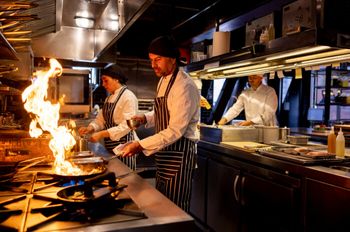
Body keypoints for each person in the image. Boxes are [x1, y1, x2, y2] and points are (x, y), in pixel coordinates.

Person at [119, 35, 200, 212]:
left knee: (176, 210)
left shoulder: (184, 87)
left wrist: (140, 145)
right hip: (164, 154)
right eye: (151, 60)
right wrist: (145, 118)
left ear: (172, 59)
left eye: (158, 60)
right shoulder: (163, 80)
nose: (153, 65)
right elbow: (163, 111)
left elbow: (175, 131)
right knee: (163, 206)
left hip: (179, 154)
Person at [78, 65, 138, 170]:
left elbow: (127, 126)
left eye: (106, 81)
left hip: (124, 148)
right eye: (102, 81)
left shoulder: (128, 97)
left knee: (125, 177)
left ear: (116, 79)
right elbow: (101, 120)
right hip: (110, 148)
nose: (103, 84)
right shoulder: (108, 98)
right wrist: (90, 128)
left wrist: (101, 134)